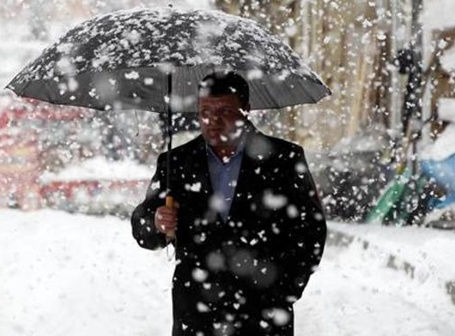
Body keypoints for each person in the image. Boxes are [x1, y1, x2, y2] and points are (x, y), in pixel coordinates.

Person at [131, 72, 326, 336]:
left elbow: (310, 231)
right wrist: (156, 221)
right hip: (197, 315)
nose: (213, 121)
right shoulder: (177, 162)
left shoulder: (284, 159)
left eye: (225, 110)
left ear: (246, 109)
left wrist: (283, 291)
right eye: (205, 111)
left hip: (263, 314)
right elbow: (143, 226)